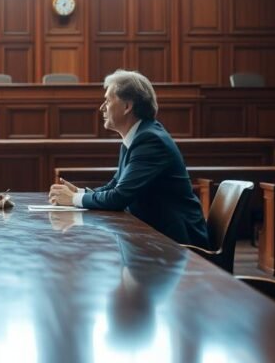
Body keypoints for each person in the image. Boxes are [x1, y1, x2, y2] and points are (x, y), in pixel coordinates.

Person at [48, 69, 209, 247]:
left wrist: (72, 199)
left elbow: (119, 197)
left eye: (108, 101)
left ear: (127, 106)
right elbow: (115, 186)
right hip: (154, 237)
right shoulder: (137, 136)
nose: (102, 107)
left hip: (177, 244)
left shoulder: (150, 140)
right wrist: (79, 193)